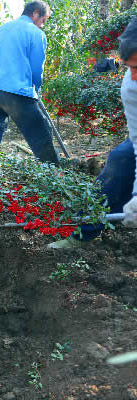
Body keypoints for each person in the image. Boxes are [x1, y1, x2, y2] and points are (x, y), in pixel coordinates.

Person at [49, 18, 137, 249]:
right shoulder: (131, 85)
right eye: (131, 67)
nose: (134, 76)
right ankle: (85, 232)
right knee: (121, 157)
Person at [0, 0, 59, 165]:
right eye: (43, 21)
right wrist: (36, 89)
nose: (42, 26)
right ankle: (55, 175)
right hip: (16, 91)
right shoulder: (36, 34)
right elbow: (36, 69)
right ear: (35, 13)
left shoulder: (2, 29)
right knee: (40, 133)